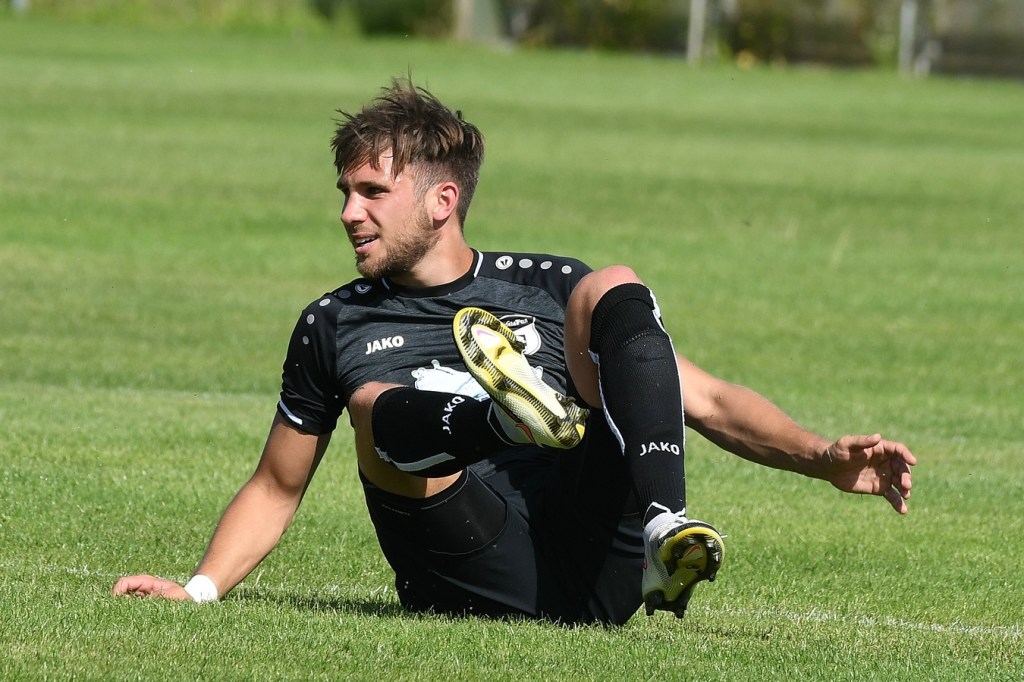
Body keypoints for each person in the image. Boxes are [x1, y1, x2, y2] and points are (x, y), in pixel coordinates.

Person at [113, 78, 916, 625]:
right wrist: (199, 591)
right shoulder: (335, 322)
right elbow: (277, 485)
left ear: (442, 200)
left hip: (597, 560)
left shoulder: (546, 286)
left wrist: (822, 458)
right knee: (372, 409)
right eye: (345, 194)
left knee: (612, 286)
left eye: (372, 192)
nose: (350, 213)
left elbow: (699, 399)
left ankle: (662, 524)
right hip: (469, 567)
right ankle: (506, 421)